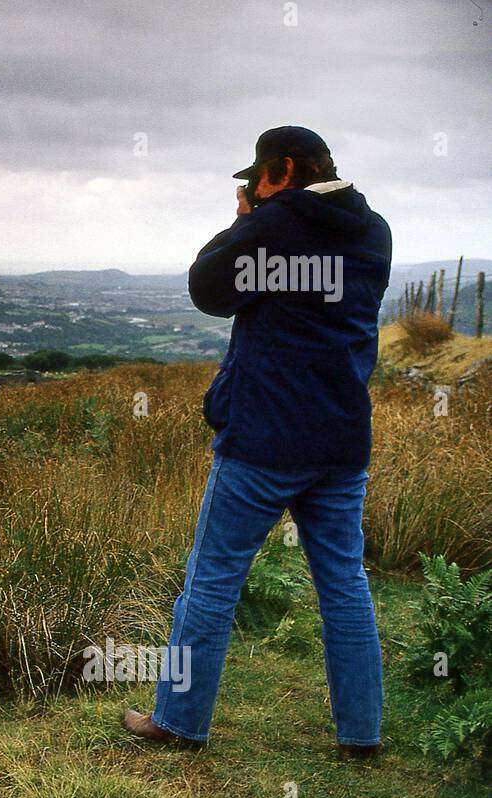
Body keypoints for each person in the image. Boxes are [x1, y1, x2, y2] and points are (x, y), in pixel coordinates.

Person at [122, 126, 393, 757]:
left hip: (263, 440)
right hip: (342, 438)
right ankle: (362, 734)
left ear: (284, 170)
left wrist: (243, 222)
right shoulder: (374, 229)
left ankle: (178, 722)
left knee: (212, 582)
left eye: (256, 179)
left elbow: (207, 289)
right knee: (346, 585)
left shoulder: (273, 226)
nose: (250, 189)